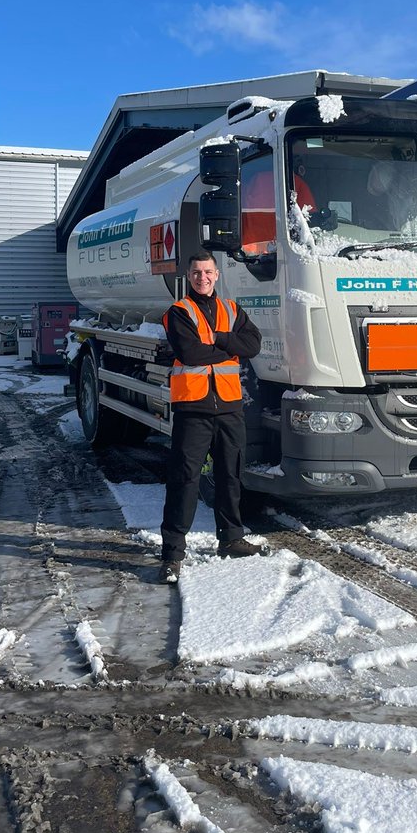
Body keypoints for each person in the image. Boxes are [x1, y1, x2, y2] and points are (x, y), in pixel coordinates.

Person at [158, 250, 263, 584]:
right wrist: (231, 347)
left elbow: (254, 345)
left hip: (229, 406)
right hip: (193, 409)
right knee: (184, 480)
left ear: (217, 275)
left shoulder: (231, 310)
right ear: (188, 277)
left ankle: (231, 538)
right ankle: (172, 554)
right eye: (196, 273)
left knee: (231, 475)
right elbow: (190, 353)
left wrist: (218, 339)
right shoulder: (178, 312)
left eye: (207, 272)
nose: (202, 278)